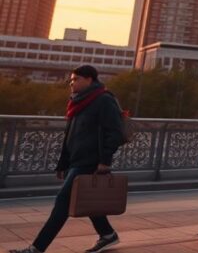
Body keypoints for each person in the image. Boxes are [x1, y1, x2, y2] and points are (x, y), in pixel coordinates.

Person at [10, 65, 125, 253]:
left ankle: (37, 248)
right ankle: (108, 234)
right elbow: (70, 136)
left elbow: (115, 133)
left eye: (76, 79)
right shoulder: (78, 102)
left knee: (62, 202)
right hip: (76, 161)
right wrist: (63, 164)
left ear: (89, 80)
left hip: (90, 161)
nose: (72, 83)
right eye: (71, 80)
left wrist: (105, 161)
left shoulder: (104, 100)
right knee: (87, 199)